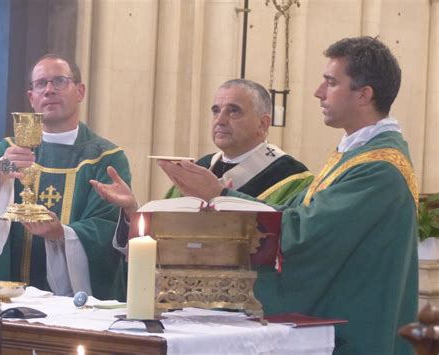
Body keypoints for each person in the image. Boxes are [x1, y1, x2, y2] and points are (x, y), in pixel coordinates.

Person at [156, 37, 418, 355]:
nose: (318, 92)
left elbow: (302, 233)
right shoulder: (355, 154)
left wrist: (220, 194)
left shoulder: (379, 168)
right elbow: (291, 210)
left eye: (331, 83)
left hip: (357, 330)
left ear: (363, 95)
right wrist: (220, 196)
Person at [0, 54, 132, 300]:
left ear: (80, 91)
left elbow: (107, 226)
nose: (49, 90)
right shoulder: (5, 152)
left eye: (59, 81)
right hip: (9, 293)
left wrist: (61, 233)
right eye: (41, 84)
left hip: (76, 301)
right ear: (32, 98)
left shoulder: (106, 158)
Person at [91, 79, 312, 219]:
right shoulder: (199, 168)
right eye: (216, 111)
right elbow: (163, 231)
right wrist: (132, 209)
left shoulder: (291, 177)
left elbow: (287, 238)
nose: (220, 120)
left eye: (233, 111)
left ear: (263, 124)